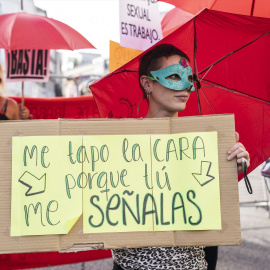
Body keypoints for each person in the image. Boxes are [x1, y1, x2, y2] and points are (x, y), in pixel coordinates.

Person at [111, 44, 250, 270]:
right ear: (147, 83)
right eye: (175, 75)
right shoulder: (118, 143)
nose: (185, 85)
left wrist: (232, 165)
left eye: (190, 78)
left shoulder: (204, 143)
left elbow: (211, 209)